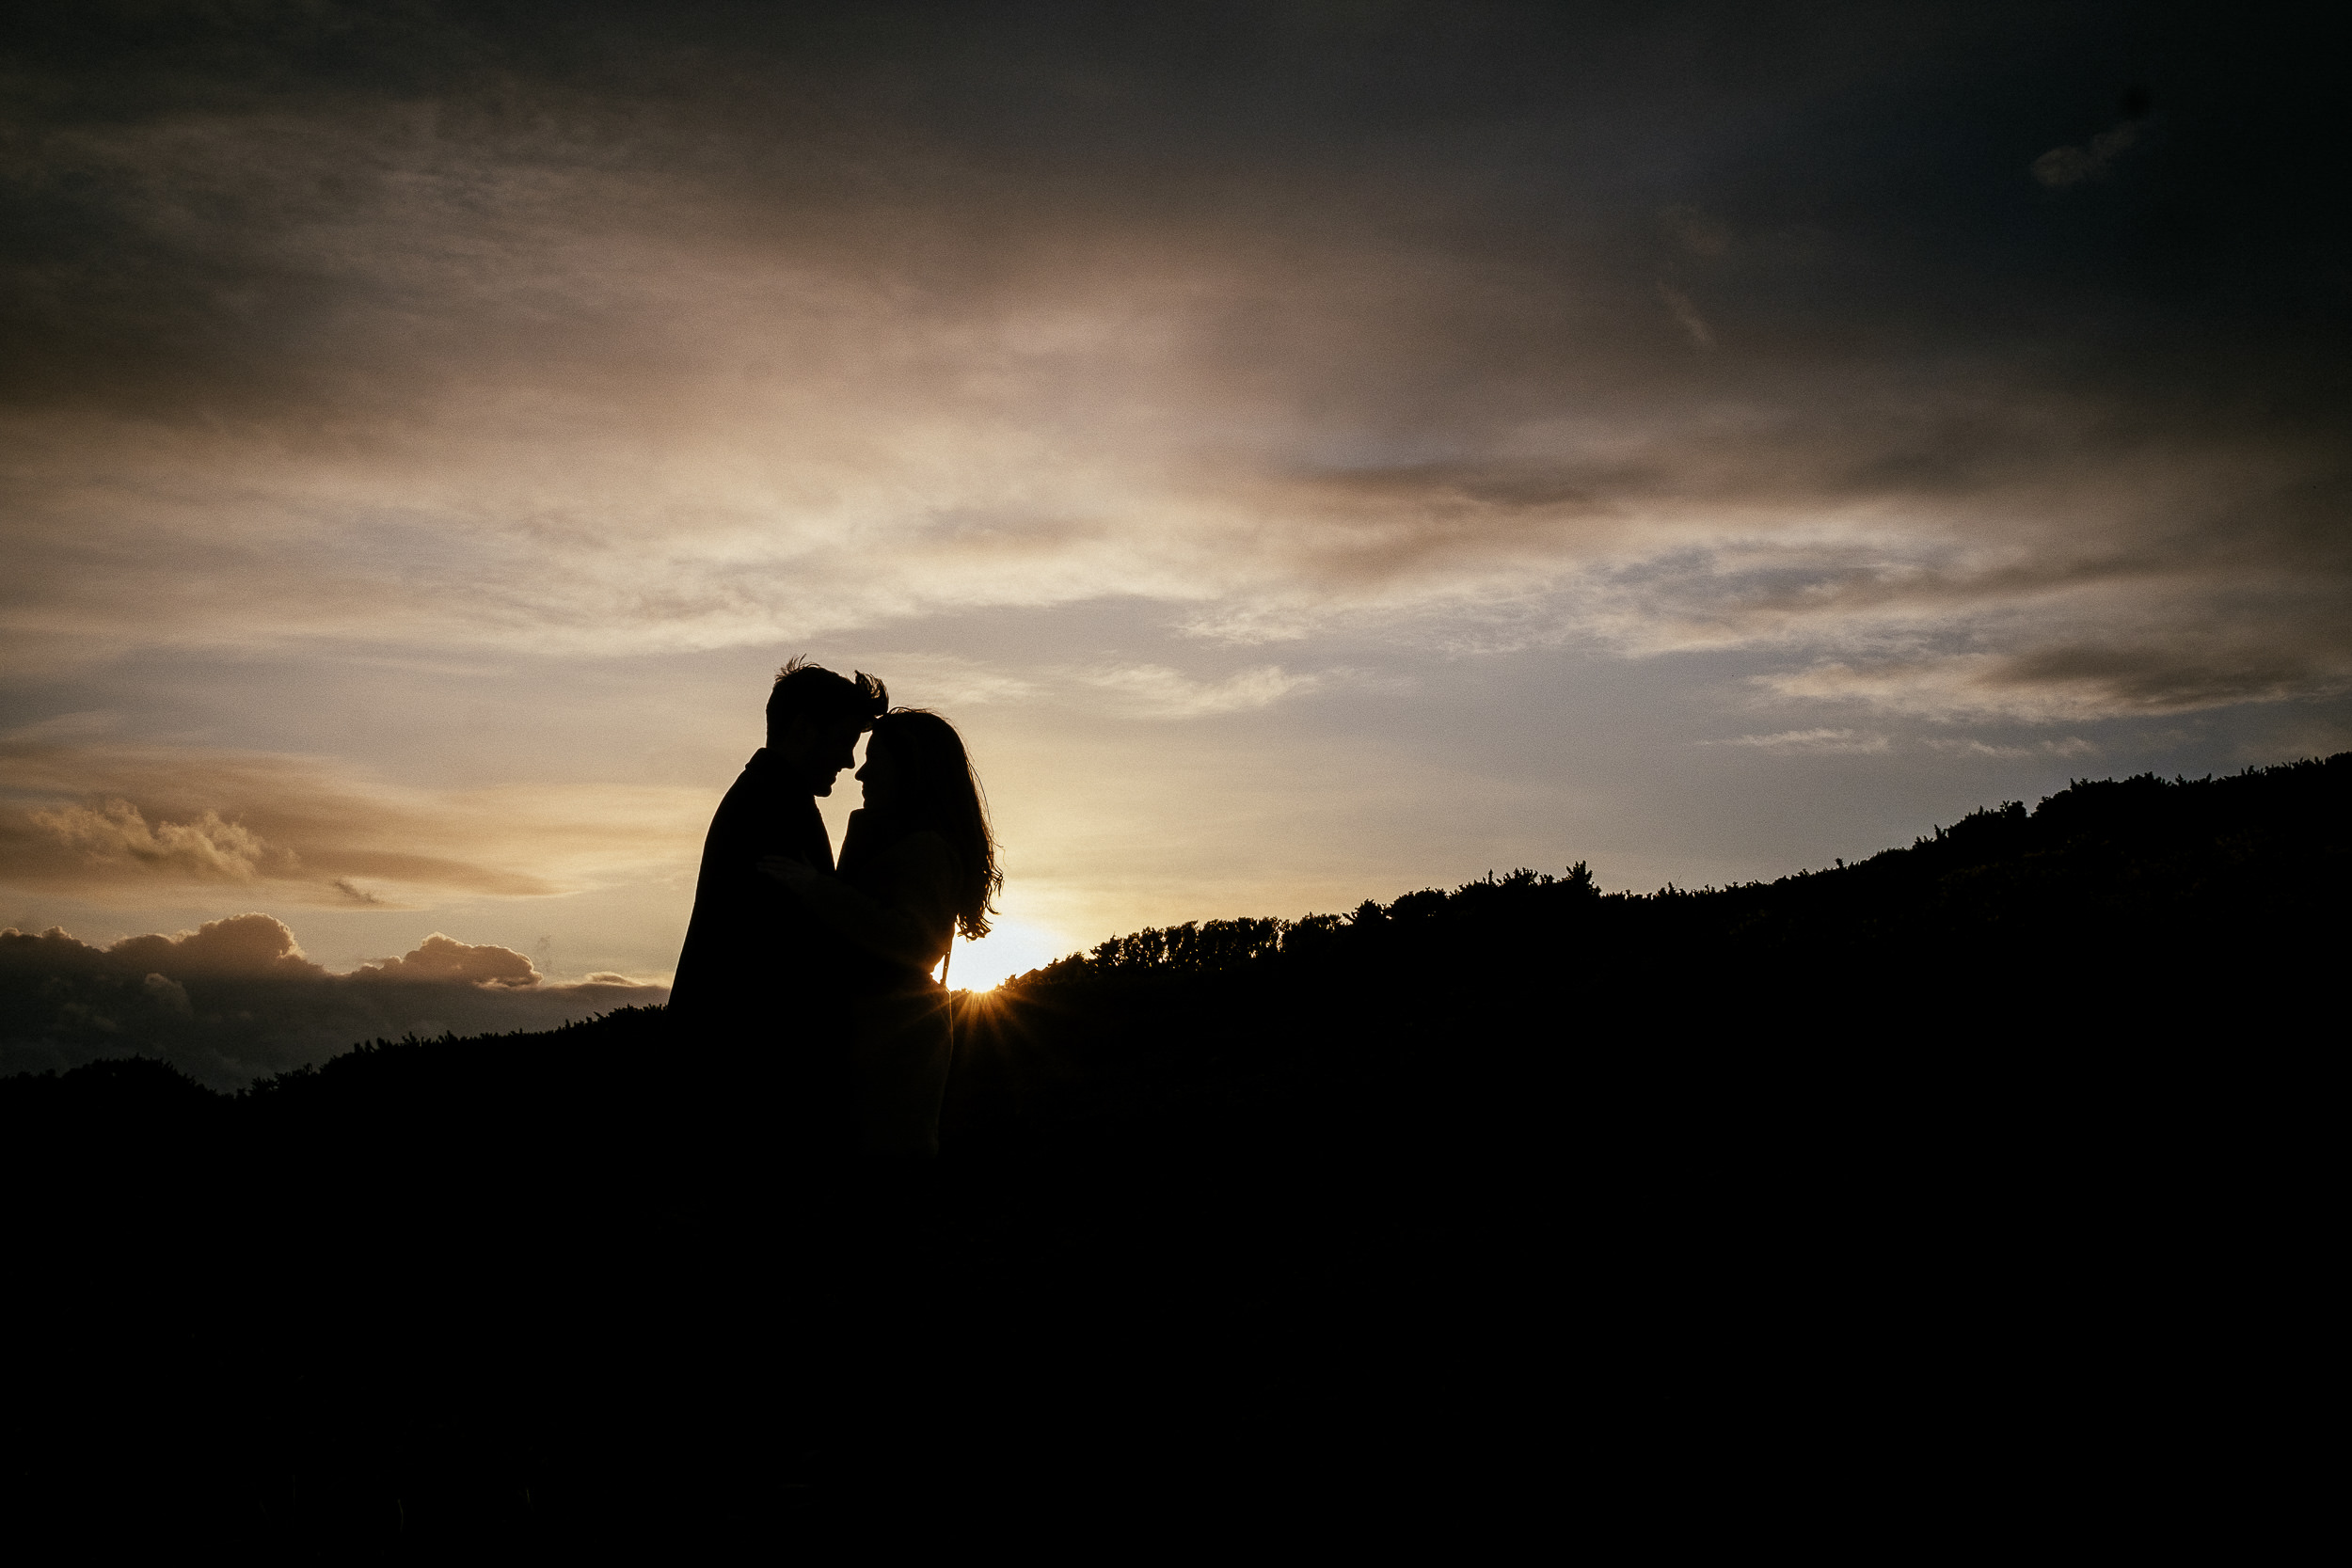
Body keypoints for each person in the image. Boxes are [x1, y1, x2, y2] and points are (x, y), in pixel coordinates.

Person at [667, 657, 889, 1156]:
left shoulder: (770, 798)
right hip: (752, 1087)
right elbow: (794, 954)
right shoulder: (773, 808)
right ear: (805, 729)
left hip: (737, 1078)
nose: (849, 762)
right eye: (844, 740)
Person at [757, 709, 1001, 1158]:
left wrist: (816, 888)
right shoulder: (892, 839)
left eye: (875, 760)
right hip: (879, 1039)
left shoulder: (927, 850)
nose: (861, 773)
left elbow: (917, 943)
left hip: (896, 1046)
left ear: (910, 771)